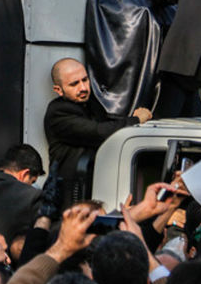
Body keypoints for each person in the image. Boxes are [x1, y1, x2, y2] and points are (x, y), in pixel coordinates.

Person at [44, 58, 150, 201]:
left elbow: (107, 124)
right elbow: (98, 132)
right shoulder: (58, 113)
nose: (83, 88)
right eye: (74, 84)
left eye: (85, 80)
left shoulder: (89, 103)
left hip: (96, 187)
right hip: (71, 195)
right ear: (59, 90)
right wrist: (135, 120)